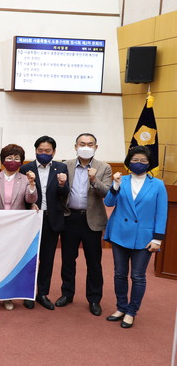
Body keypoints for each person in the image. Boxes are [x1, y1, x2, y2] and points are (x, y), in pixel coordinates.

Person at [104, 146, 167, 329]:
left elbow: (161, 213)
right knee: (119, 274)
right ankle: (121, 307)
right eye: (135, 160)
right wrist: (115, 185)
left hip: (144, 237)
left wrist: (157, 239)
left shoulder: (158, 185)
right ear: (129, 162)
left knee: (138, 276)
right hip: (120, 234)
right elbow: (108, 202)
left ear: (150, 163)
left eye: (143, 161)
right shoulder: (121, 180)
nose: (139, 163)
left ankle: (131, 311)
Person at [57, 134, 112, 316]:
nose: (86, 147)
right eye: (82, 144)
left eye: (90, 144)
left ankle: (94, 299)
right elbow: (59, 191)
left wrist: (94, 180)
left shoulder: (104, 167)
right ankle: (67, 293)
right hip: (70, 218)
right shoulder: (65, 165)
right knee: (68, 259)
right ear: (76, 146)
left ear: (96, 147)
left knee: (94, 262)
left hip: (92, 219)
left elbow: (108, 194)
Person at [20, 136, 69, 310]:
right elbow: (22, 194)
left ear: (54, 152)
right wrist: (29, 205)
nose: (44, 153)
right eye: (40, 150)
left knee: (47, 259)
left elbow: (65, 193)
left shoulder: (61, 168)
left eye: (47, 151)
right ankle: (27, 293)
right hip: (32, 218)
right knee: (30, 258)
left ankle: (42, 293)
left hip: (51, 218)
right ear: (35, 151)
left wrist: (62, 184)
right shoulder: (26, 168)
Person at [0, 143, 37, 311]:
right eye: (9, 157)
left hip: (16, 228)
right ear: (3, 160)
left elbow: (30, 200)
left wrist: (31, 185)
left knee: (11, 262)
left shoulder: (25, 179)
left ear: (21, 161)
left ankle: (8, 296)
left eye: (17, 158)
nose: (12, 161)